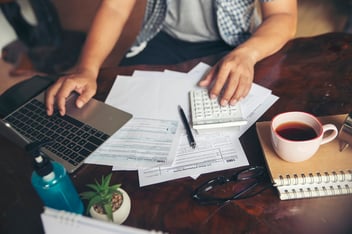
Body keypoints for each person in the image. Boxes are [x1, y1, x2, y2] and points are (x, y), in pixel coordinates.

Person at [46, 0, 297, 116]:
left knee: (229, 124)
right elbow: (115, 7)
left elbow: (282, 15)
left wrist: (247, 54)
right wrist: (86, 68)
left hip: (233, 44)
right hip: (162, 36)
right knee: (112, 111)